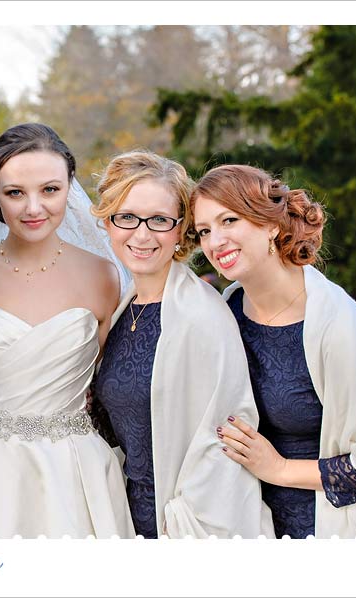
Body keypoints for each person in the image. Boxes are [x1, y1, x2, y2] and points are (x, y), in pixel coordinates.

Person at [0, 123, 134, 539]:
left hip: (75, 476)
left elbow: (108, 380)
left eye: (50, 190)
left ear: (69, 188)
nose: (33, 208)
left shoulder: (104, 276)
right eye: (15, 193)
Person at [89, 150, 274, 538]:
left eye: (159, 220)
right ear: (108, 222)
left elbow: (225, 445)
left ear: (180, 230)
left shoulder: (201, 316)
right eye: (127, 217)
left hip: (184, 527)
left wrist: (179, 526)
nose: (142, 235)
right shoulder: (125, 307)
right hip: (128, 516)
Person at [192, 164, 356, 538]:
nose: (215, 241)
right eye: (204, 231)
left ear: (271, 224)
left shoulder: (339, 324)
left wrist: (278, 468)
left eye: (229, 220)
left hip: (322, 528)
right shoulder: (226, 312)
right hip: (244, 523)